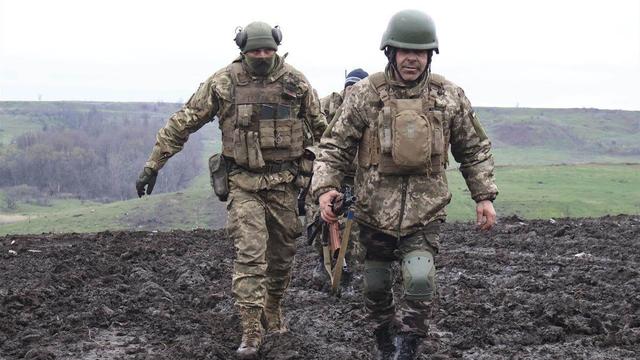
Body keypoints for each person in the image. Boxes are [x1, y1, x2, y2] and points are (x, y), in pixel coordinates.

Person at [311, 9, 498, 360]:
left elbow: (473, 148)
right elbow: (334, 145)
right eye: (404, 51)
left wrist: (484, 196)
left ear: (430, 55)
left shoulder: (449, 96)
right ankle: (385, 338)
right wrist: (325, 188)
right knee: (376, 287)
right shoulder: (365, 95)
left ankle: (408, 346)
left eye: (420, 52)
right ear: (390, 52)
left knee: (419, 279)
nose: (412, 59)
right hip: (372, 210)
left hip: (425, 211)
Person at [136, 21, 326, 359]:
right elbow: (185, 121)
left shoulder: (296, 83)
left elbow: (325, 131)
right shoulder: (224, 83)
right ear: (243, 50)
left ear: (277, 48)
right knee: (250, 254)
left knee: (283, 257)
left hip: (284, 184)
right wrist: (153, 165)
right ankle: (251, 329)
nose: (262, 56)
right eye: (255, 51)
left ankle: (273, 307)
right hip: (243, 184)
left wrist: (335, 174)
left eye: (268, 50)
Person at [306, 68, 369, 292]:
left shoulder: (372, 108)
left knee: (358, 226)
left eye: (359, 87)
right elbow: (308, 126)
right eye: (350, 87)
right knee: (321, 216)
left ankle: (352, 269)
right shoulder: (327, 106)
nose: (353, 92)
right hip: (329, 174)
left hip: (360, 178)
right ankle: (322, 264)